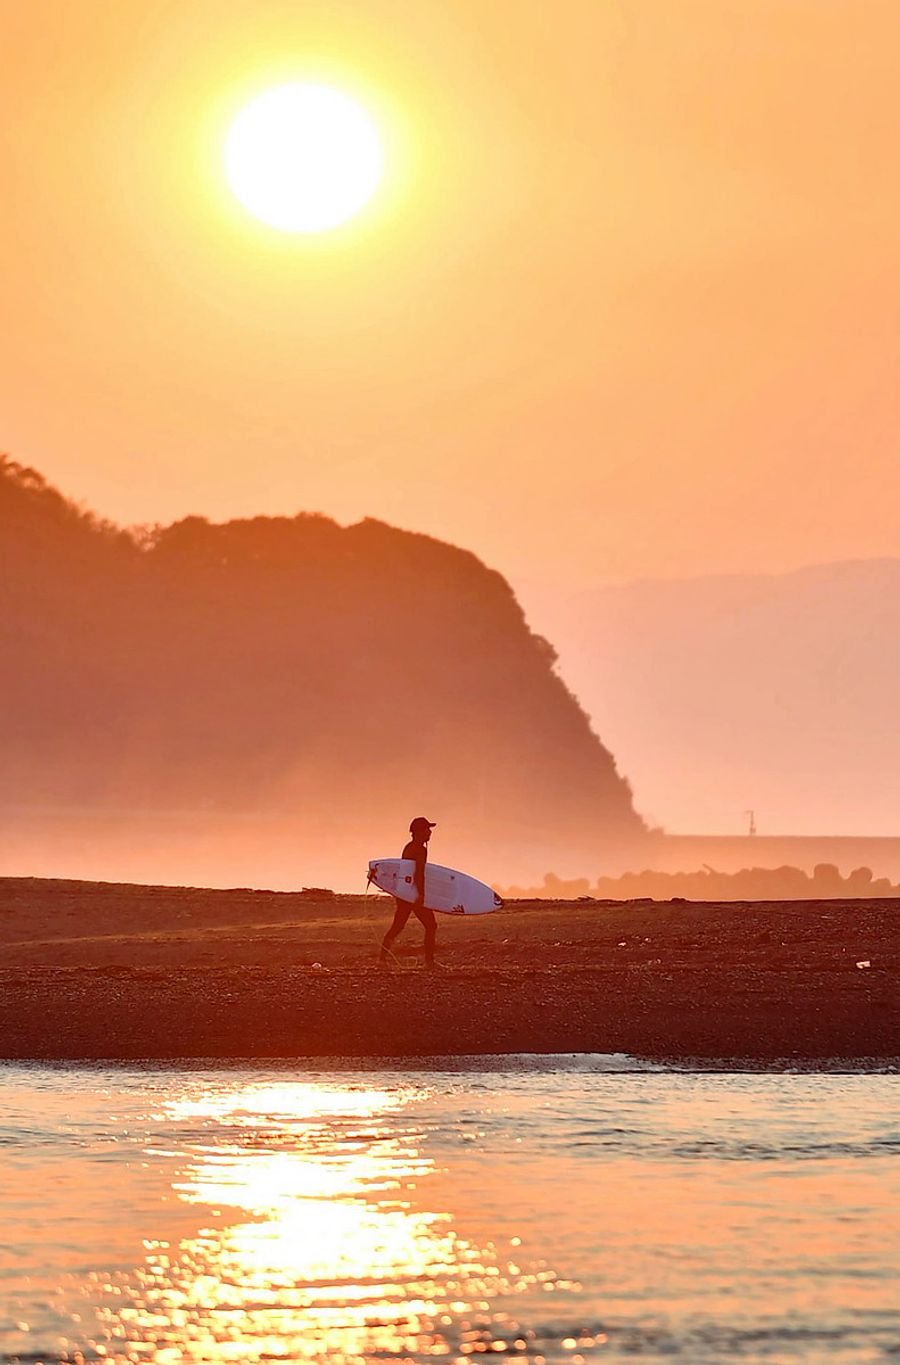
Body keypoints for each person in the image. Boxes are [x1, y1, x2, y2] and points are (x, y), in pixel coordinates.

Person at [380, 817, 437, 969]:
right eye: (427, 829)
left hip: (404, 893)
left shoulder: (408, 847)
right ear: (420, 832)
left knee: (397, 926)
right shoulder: (420, 849)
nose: (430, 832)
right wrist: (421, 894)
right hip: (413, 894)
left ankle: (382, 959)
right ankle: (429, 962)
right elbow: (418, 873)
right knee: (431, 925)